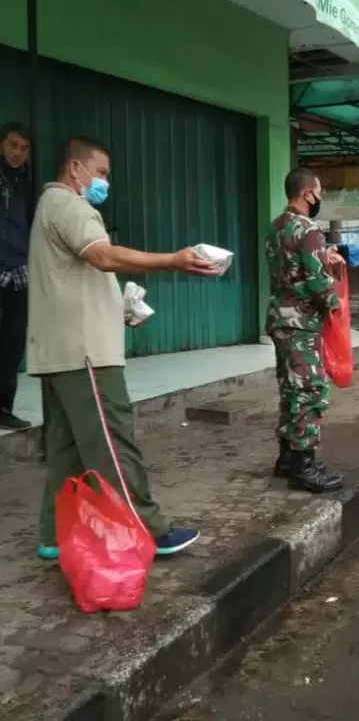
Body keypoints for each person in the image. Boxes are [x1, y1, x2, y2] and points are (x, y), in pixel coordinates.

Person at [29, 136, 216, 560]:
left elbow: (78, 277)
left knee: (67, 451)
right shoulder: (69, 205)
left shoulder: (50, 207)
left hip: (60, 351)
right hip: (86, 353)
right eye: (101, 173)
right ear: (75, 168)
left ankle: (54, 535)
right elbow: (104, 257)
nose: (104, 183)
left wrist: (118, 305)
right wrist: (174, 260)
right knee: (114, 443)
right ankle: (148, 529)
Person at [266, 167, 345, 493]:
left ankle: (287, 459)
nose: (320, 197)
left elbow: (292, 266)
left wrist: (322, 256)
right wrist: (335, 307)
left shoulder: (276, 227)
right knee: (309, 391)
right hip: (300, 323)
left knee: (290, 389)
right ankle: (303, 467)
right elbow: (316, 281)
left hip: (280, 318)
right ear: (307, 193)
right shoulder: (308, 228)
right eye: (319, 191)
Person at [0, 123, 33, 430]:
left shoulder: (25, 181)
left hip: (20, 273)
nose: (17, 153)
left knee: (12, 346)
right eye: (12, 145)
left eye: (23, 148)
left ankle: (3, 409)